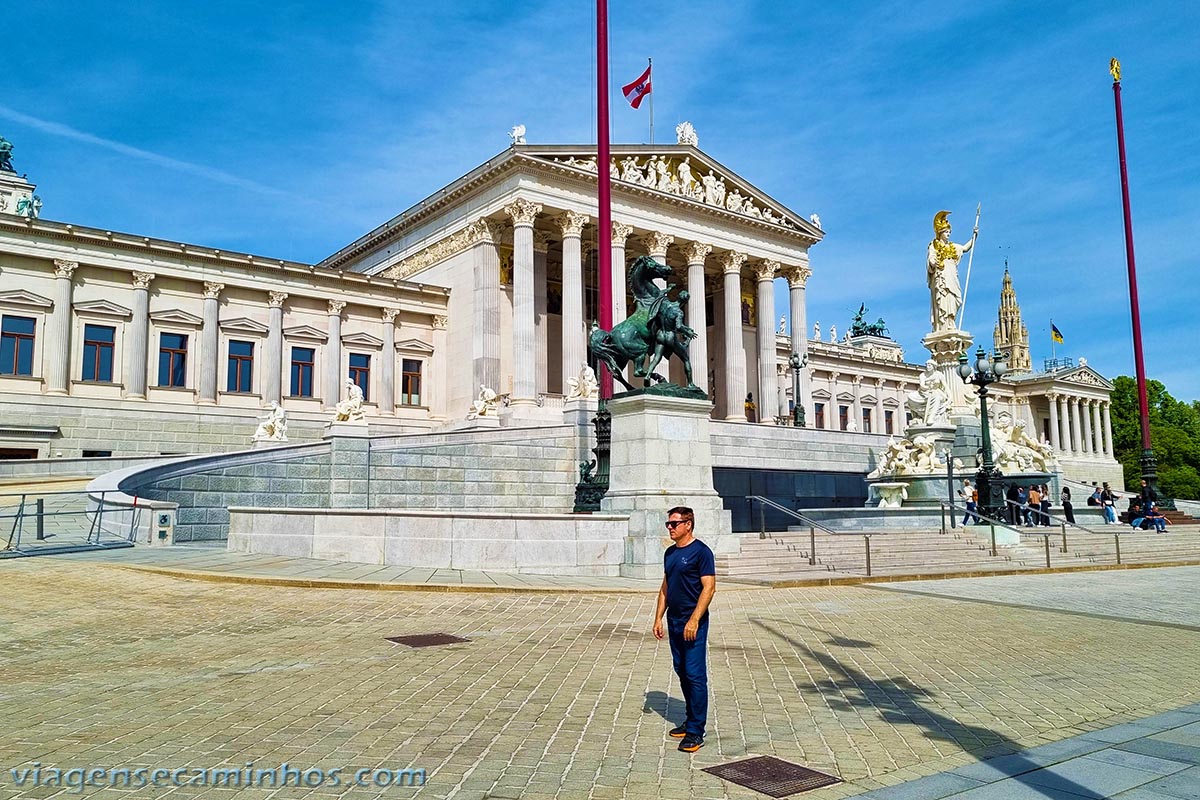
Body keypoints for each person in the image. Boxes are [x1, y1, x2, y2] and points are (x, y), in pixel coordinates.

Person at [652, 506, 716, 754]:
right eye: (668, 524)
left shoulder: (701, 552)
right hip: (674, 621)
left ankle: (696, 731)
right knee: (681, 671)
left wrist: (694, 620)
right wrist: (658, 618)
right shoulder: (670, 553)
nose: (670, 527)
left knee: (695, 674)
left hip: (693, 623)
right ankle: (690, 720)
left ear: (688, 524)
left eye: (674, 524)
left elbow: (709, 588)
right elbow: (665, 587)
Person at [926, 210, 978, 333]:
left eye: (949, 232)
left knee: (955, 297)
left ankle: (951, 321)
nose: (948, 234)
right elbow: (931, 259)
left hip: (952, 274)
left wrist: (974, 236)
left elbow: (965, 248)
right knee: (943, 298)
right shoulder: (933, 245)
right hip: (941, 276)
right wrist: (934, 263)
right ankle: (943, 324)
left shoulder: (952, 246)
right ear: (940, 232)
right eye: (946, 232)